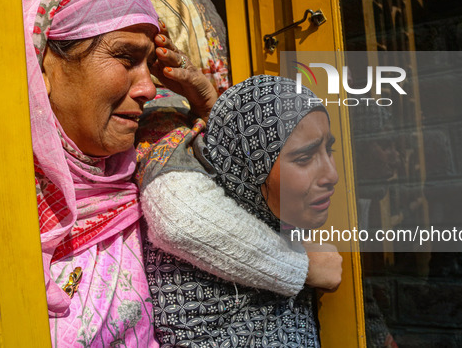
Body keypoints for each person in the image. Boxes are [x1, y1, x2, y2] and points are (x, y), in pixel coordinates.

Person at [24, 0, 339, 346]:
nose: (149, 89)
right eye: (126, 58)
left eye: (150, 65)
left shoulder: (133, 171)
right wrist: (301, 267)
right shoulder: (11, 211)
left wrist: (208, 105)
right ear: (40, 61)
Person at [141, 75, 340, 346]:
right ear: (248, 165)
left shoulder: (271, 217)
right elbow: (180, 219)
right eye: (305, 158)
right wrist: (302, 266)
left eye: (329, 150)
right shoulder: (199, 270)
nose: (332, 175)